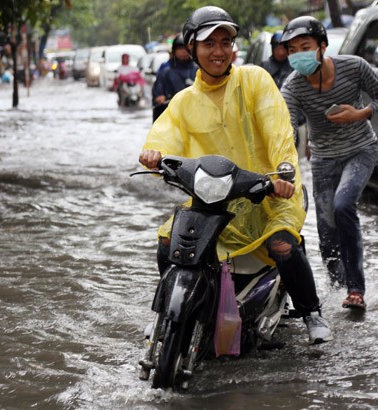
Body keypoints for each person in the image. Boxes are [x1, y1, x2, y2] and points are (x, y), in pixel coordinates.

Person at [139, 6, 333, 345]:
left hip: (267, 192)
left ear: (234, 48)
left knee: (282, 244)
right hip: (212, 198)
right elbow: (164, 136)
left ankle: (311, 311)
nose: (218, 51)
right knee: (168, 242)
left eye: (225, 42)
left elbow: (278, 131)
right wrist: (153, 154)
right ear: (193, 48)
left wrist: (283, 175)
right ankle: (167, 314)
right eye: (208, 43)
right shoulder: (183, 101)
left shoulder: (255, 80)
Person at [279, 16, 378, 310]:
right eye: (291, 50)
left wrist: (360, 113)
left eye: (304, 47)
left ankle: (356, 289)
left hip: (360, 149)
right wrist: (283, 161)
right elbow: (286, 127)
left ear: (323, 47)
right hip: (322, 159)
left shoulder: (354, 67)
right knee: (326, 228)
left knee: (344, 205)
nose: (298, 55)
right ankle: (337, 288)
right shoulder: (292, 87)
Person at [151, 34, 197, 121]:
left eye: (185, 49)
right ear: (174, 51)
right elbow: (157, 96)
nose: (183, 52)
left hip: (195, 115)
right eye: (180, 49)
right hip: (172, 116)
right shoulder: (165, 72)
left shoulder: (199, 71)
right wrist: (161, 99)